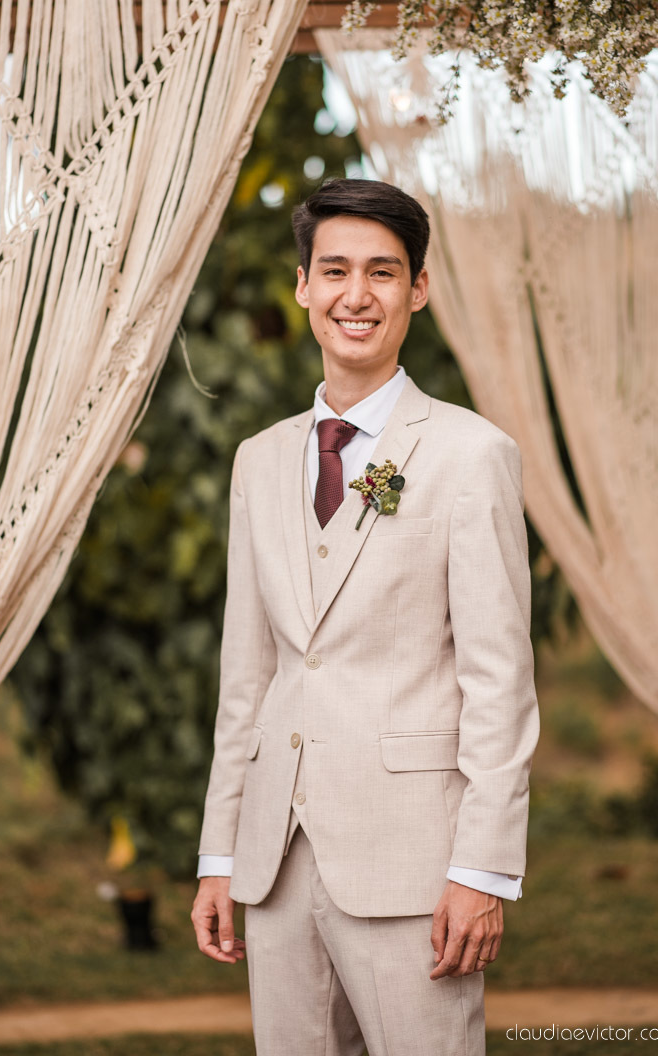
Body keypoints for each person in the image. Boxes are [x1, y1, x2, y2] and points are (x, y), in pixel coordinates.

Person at [191, 178, 539, 1055]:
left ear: (416, 289)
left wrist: (480, 868)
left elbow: (498, 681)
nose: (357, 295)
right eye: (335, 270)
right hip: (273, 861)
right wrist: (219, 854)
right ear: (302, 284)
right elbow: (250, 674)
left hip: (414, 863)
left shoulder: (469, 454)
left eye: (382, 273)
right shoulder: (258, 461)